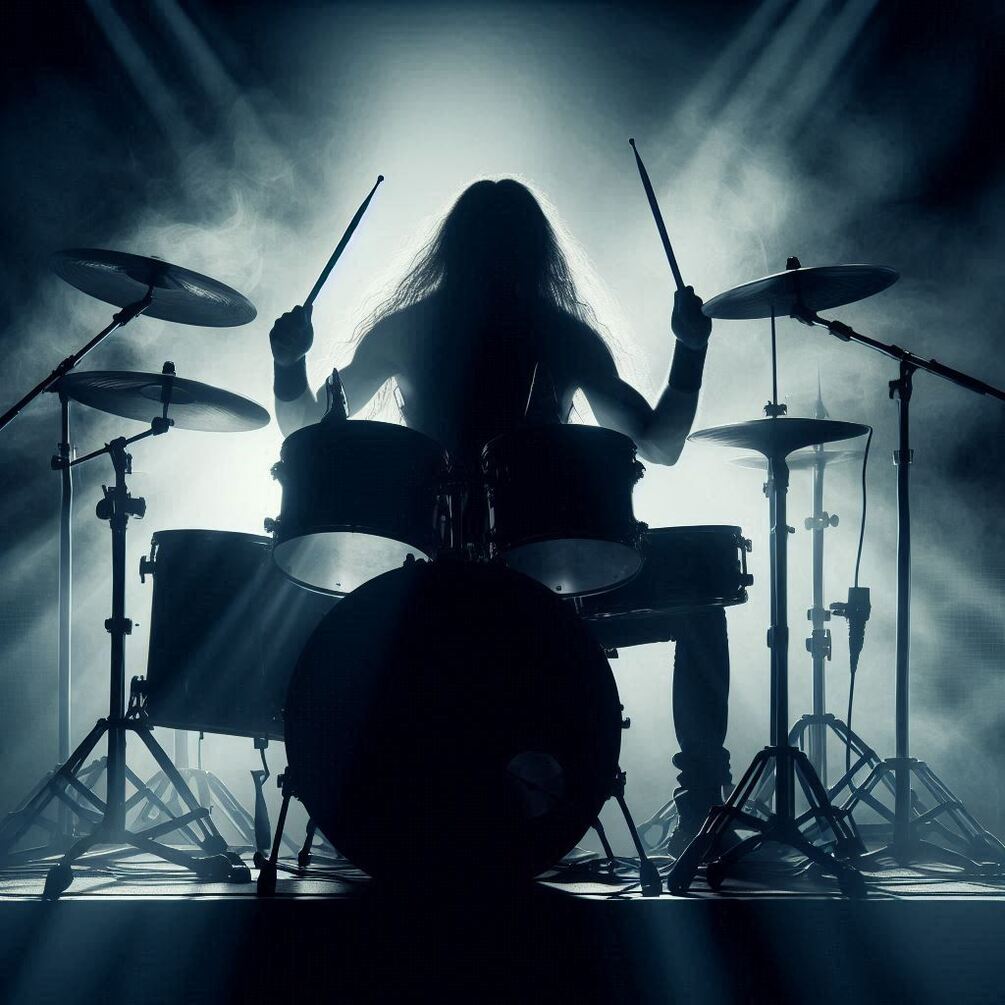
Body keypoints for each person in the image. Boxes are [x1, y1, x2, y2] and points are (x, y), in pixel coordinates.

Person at [269, 178, 729, 851]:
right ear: (541, 253)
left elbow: (307, 431)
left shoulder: (407, 328)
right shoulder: (564, 335)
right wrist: (690, 351)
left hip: (426, 568)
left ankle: (352, 789)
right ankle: (702, 808)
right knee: (698, 604)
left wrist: (289, 365)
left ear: (448, 249)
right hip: (543, 569)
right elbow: (660, 444)